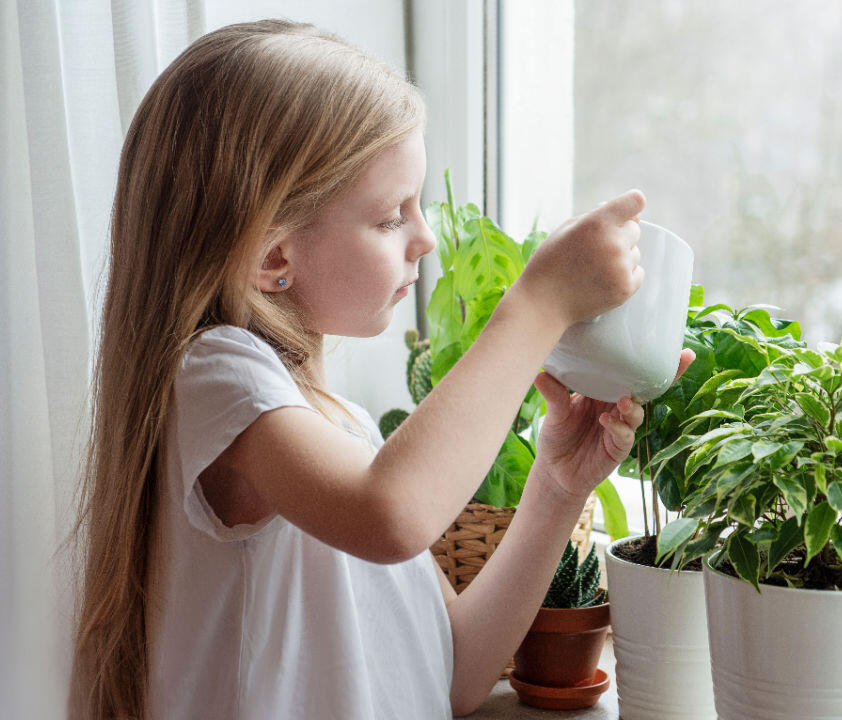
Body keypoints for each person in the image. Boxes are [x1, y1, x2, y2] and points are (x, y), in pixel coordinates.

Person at [65, 18, 695, 719]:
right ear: (274, 256)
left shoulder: (345, 432)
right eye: (393, 214)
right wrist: (537, 302)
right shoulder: (217, 377)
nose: (424, 237)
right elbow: (391, 514)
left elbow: (447, 671)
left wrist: (556, 487)